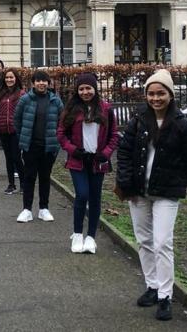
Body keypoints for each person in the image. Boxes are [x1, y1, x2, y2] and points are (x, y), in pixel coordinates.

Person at [116, 69, 187, 321]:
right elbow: (124, 152)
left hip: (166, 192)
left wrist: (179, 181)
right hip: (139, 191)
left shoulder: (182, 125)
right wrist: (125, 181)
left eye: (160, 93)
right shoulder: (138, 121)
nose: (155, 98)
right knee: (144, 240)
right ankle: (152, 286)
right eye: (151, 94)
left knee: (162, 242)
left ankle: (166, 295)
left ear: (170, 95)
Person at [57, 72, 119, 255]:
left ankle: (90, 237)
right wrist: (72, 150)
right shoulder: (71, 110)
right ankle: (77, 233)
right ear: (77, 90)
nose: (85, 92)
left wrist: (106, 153)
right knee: (82, 195)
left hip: (98, 161)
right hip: (78, 160)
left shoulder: (105, 109)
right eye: (82, 89)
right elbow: (61, 134)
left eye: (88, 88)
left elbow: (114, 135)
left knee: (95, 198)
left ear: (95, 89)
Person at [14, 70, 64, 223]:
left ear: (48, 83)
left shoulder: (56, 101)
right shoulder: (25, 99)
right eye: (38, 81)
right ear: (33, 83)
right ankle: (26, 209)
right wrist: (22, 138)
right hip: (30, 146)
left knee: (45, 177)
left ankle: (44, 208)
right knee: (29, 177)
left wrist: (56, 142)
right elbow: (17, 120)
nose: (41, 83)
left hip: (48, 146)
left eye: (44, 81)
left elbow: (62, 122)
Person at [0, 68, 24, 194]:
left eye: (11, 77)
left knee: (17, 157)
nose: (9, 80)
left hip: (16, 131)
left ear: (16, 79)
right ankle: (11, 184)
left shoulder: (21, 94)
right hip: (3, 130)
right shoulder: (1, 93)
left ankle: (23, 184)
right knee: (8, 158)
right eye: (7, 78)